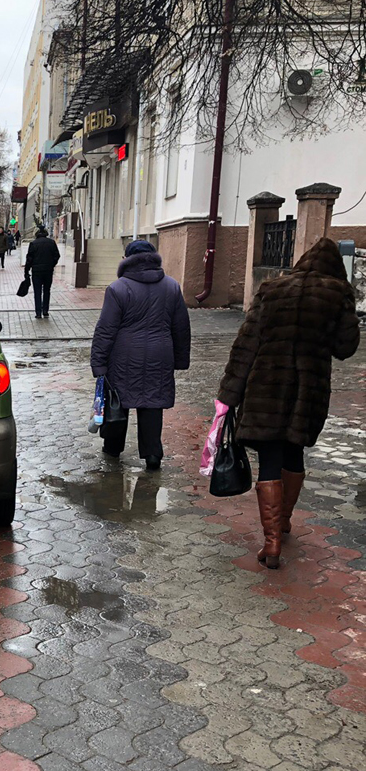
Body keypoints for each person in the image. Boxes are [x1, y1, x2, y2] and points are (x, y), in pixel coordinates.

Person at [217, 237, 359, 569]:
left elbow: (245, 345)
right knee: (294, 453)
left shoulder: (272, 290)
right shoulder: (337, 295)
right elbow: (346, 347)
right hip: (306, 393)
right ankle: (283, 522)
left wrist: (228, 395)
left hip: (266, 387)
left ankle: (272, 543)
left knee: (270, 458)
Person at [90, 239, 191, 470]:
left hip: (123, 356)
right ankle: (153, 454)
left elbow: (106, 329)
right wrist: (181, 358)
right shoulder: (172, 286)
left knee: (118, 401)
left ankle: (113, 448)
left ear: (127, 260)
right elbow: (181, 328)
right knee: (152, 404)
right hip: (160, 354)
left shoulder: (118, 288)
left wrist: (99, 363)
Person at [24, 225, 61, 318]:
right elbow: (57, 255)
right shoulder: (51, 243)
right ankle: (45, 311)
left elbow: (29, 259)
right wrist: (52, 264)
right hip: (48, 271)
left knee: (37, 292)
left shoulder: (33, 243)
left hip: (36, 271)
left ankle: (38, 312)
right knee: (47, 291)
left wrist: (26, 271)